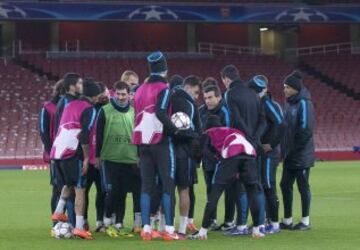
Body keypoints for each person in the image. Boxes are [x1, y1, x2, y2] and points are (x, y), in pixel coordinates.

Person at [132, 51, 188, 241]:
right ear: (165, 69)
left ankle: (146, 228)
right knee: (167, 185)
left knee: (146, 186)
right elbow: (161, 112)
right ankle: (170, 230)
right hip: (161, 142)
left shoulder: (139, 89)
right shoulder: (164, 88)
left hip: (143, 143)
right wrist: (177, 131)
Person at [189, 115, 257, 240]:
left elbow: (201, 151)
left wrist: (212, 160)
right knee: (251, 191)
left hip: (232, 154)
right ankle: (256, 229)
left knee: (215, 194)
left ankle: (203, 231)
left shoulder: (209, 133)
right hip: (250, 152)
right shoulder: (233, 130)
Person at [50, 79, 101, 240]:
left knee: (68, 183)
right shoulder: (89, 109)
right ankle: (79, 227)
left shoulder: (69, 104)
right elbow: (85, 134)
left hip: (57, 152)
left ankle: (58, 212)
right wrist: (86, 158)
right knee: (80, 190)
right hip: (73, 153)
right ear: (95, 95)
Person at [221, 64, 266, 238]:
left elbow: (236, 119)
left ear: (226, 78)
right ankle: (259, 225)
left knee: (239, 185)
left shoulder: (230, 93)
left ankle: (240, 226)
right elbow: (263, 120)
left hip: (240, 145)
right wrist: (255, 138)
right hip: (254, 146)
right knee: (255, 186)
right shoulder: (253, 94)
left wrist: (247, 138)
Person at [95, 81, 140, 237]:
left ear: (129, 95)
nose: (121, 97)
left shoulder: (134, 111)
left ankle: (119, 222)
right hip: (110, 157)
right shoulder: (105, 110)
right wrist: (98, 156)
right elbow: (98, 135)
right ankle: (107, 221)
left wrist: (138, 156)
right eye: (118, 94)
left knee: (122, 193)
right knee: (111, 191)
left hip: (129, 158)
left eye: (124, 94)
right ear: (113, 94)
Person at [248, 75, 285, 234]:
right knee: (264, 185)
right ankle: (267, 220)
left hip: (269, 153)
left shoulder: (267, 104)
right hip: (263, 151)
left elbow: (280, 123)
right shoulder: (261, 103)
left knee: (268, 185)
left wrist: (272, 144)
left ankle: (275, 223)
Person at [199, 84, 238, 233]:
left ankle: (229, 221)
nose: (207, 101)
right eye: (205, 98)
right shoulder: (201, 111)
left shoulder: (225, 112)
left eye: (210, 97)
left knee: (229, 189)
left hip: (223, 158)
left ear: (219, 97)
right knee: (210, 188)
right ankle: (212, 220)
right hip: (208, 157)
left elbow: (228, 134)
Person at [280, 71, 315, 231]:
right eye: (284, 87)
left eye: (287, 87)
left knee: (303, 186)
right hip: (290, 154)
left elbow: (306, 129)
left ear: (295, 88)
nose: (285, 90)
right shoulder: (288, 103)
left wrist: (294, 150)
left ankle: (305, 221)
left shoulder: (304, 103)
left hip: (301, 155)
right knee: (285, 184)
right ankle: (287, 220)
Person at [170, 75, 202, 237]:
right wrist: (197, 156)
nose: (196, 96)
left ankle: (164, 228)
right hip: (185, 152)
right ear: (188, 87)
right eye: (196, 92)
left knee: (166, 189)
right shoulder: (191, 104)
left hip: (167, 150)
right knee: (184, 189)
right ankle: (182, 229)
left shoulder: (167, 99)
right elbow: (198, 132)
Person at [84, 82, 110, 232]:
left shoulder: (106, 109)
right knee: (84, 191)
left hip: (101, 157)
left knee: (102, 191)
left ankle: (100, 222)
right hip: (88, 158)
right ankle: (84, 221)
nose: (103, 96)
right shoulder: (88, 109)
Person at [39, 80, 65, 225]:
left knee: (69, 188)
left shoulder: (69, 106)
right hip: (56, 154)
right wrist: (51, 152)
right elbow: (43, 131)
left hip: (70, 153)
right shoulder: (47, 108)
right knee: (58, 188)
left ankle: (67, 220)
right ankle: (56, 224)